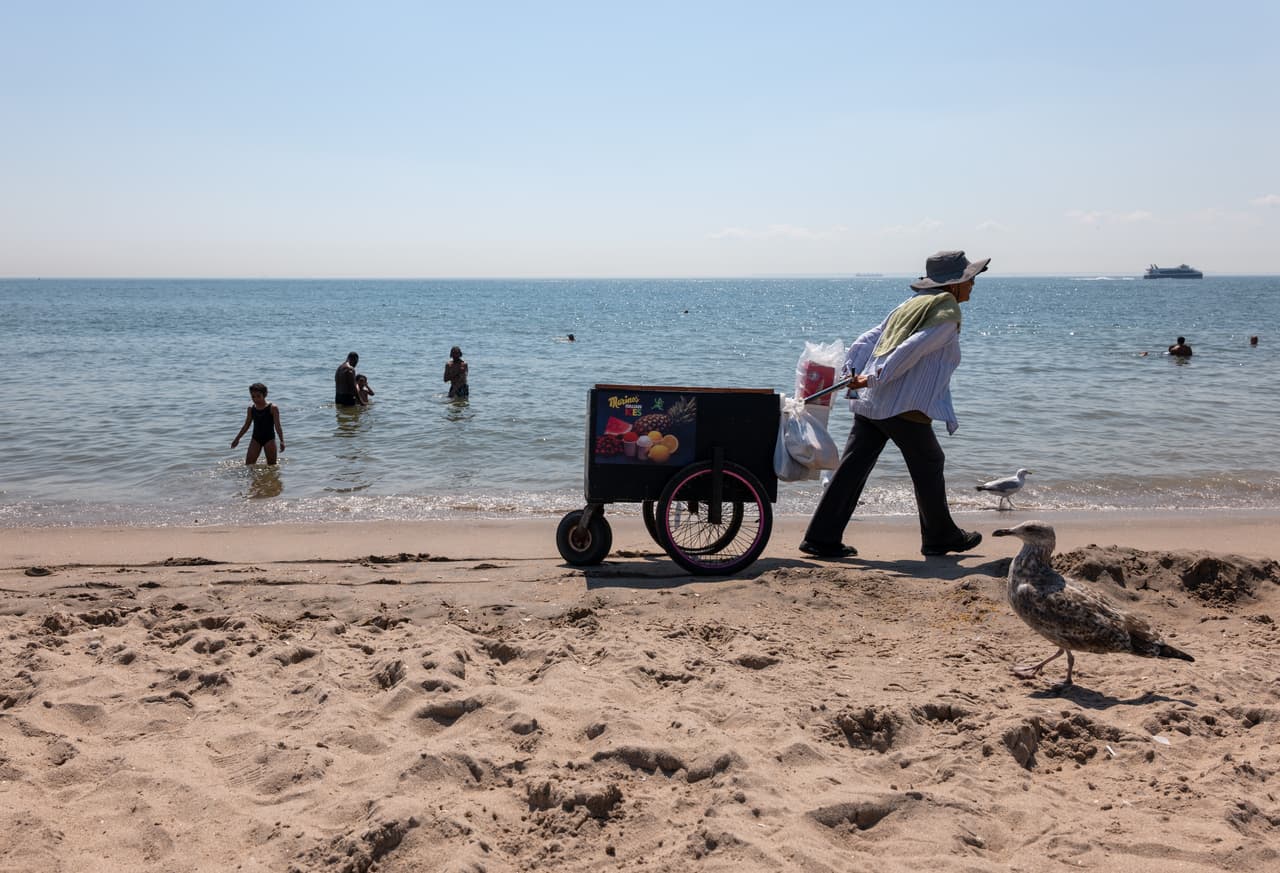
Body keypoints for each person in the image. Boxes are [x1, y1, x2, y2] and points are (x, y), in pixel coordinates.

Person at [800, 250, 989, 559]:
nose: (973, 285)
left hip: (872, 405)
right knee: (930, 462)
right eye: (970, 279)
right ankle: (940, 536)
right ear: (954, 285)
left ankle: (821, 537)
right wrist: (873, 377)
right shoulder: (945, 312)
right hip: (901, 405)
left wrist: (854, 372)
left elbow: (868, 338)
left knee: (853, 467)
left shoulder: (910, 305)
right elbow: (910, 349)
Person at [231, 382, 284, 465]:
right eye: (253, 397)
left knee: (272, 466)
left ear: (265, 394)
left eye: (258, 396)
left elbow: (278, 426)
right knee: (249, 465)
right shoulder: (251, 409)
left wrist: (281, 441)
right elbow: (246, 425)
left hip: (269, 439)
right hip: (255, 439)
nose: (255, 399)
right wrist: (237, 439)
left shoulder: (272, 408)